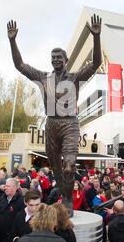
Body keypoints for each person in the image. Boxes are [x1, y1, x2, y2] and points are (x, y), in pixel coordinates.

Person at [8, 14, 102, 216]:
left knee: (68, 166)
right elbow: (20, 66)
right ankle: (65, 194)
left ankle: (68, 199)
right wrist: (12, 40)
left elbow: (95, 64)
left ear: (66, 60)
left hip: (69, 124)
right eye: (53, 58)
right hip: (51, 124)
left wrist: (96, 37)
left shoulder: (75, 77)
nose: (56, 60)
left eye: (59, 57)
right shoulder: (43, 77)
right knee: (57, 168)